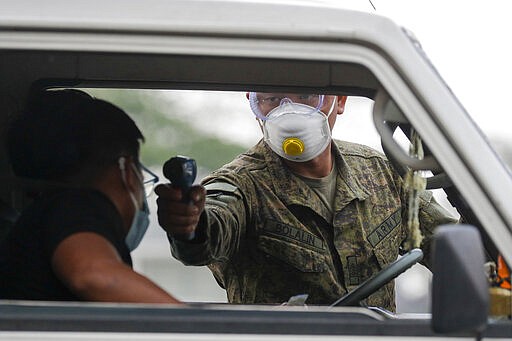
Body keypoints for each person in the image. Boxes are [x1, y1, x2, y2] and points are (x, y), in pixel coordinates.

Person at [155, 93, 456, 311]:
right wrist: (189, 224)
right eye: (271, 99)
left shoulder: (381, 171)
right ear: (254, 104)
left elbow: (453, 251)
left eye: (307, 96)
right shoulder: (241, 184)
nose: (290, 112)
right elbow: (209, 230)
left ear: (339, 101)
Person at [0, 89, 180, 304]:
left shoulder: (46, 212)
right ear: (126, 170)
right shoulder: (77, 206)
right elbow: (94, 276)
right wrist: (198, 328)